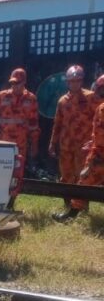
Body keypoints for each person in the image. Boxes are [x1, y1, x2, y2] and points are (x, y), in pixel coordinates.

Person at [48, 65, 98, 222]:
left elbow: (99, 120)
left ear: (82, 80)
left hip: (84, 147)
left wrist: (95, 140)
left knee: (82, 178)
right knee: (66, 176)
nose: (74, 84)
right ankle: (68, 207)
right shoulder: (63, 101)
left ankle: (82, 209)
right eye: (71, 81)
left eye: (77, 81)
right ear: (68, 82)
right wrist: (52, 143)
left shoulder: (91, 98)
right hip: (66, 146)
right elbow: (57, 123)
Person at [0, 68, 40, 200]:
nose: (14, 86)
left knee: (17, 174)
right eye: (13, 83)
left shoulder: (31, 99)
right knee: (1, 170)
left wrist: (34, 144)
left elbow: (34, 123)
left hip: (21, 144)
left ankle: (12, 201)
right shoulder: (2, 96)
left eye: (18, 83)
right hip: (4, 142)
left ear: (24, 82)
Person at [66, 73, 104, 219]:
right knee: (84, 181)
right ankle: (73, 213)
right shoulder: (100, 107)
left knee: (84, 181)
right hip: (97, 150)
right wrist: (93, 141)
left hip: (99, 153)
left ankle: (72, 214)